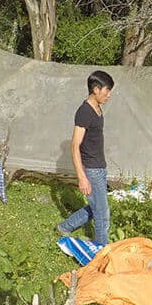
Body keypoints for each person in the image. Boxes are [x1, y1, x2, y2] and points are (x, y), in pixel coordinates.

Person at [57, 71, 115, 246]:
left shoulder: (98, 109)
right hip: (90, 169)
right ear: (96, 89)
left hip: (100, 166)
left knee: (96, 206)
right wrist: (82, 177)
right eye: (107, 91)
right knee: (102, 214)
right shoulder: (84, 112)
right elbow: (75, 145)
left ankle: (64, 227)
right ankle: (101, 252)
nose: (109, 95)